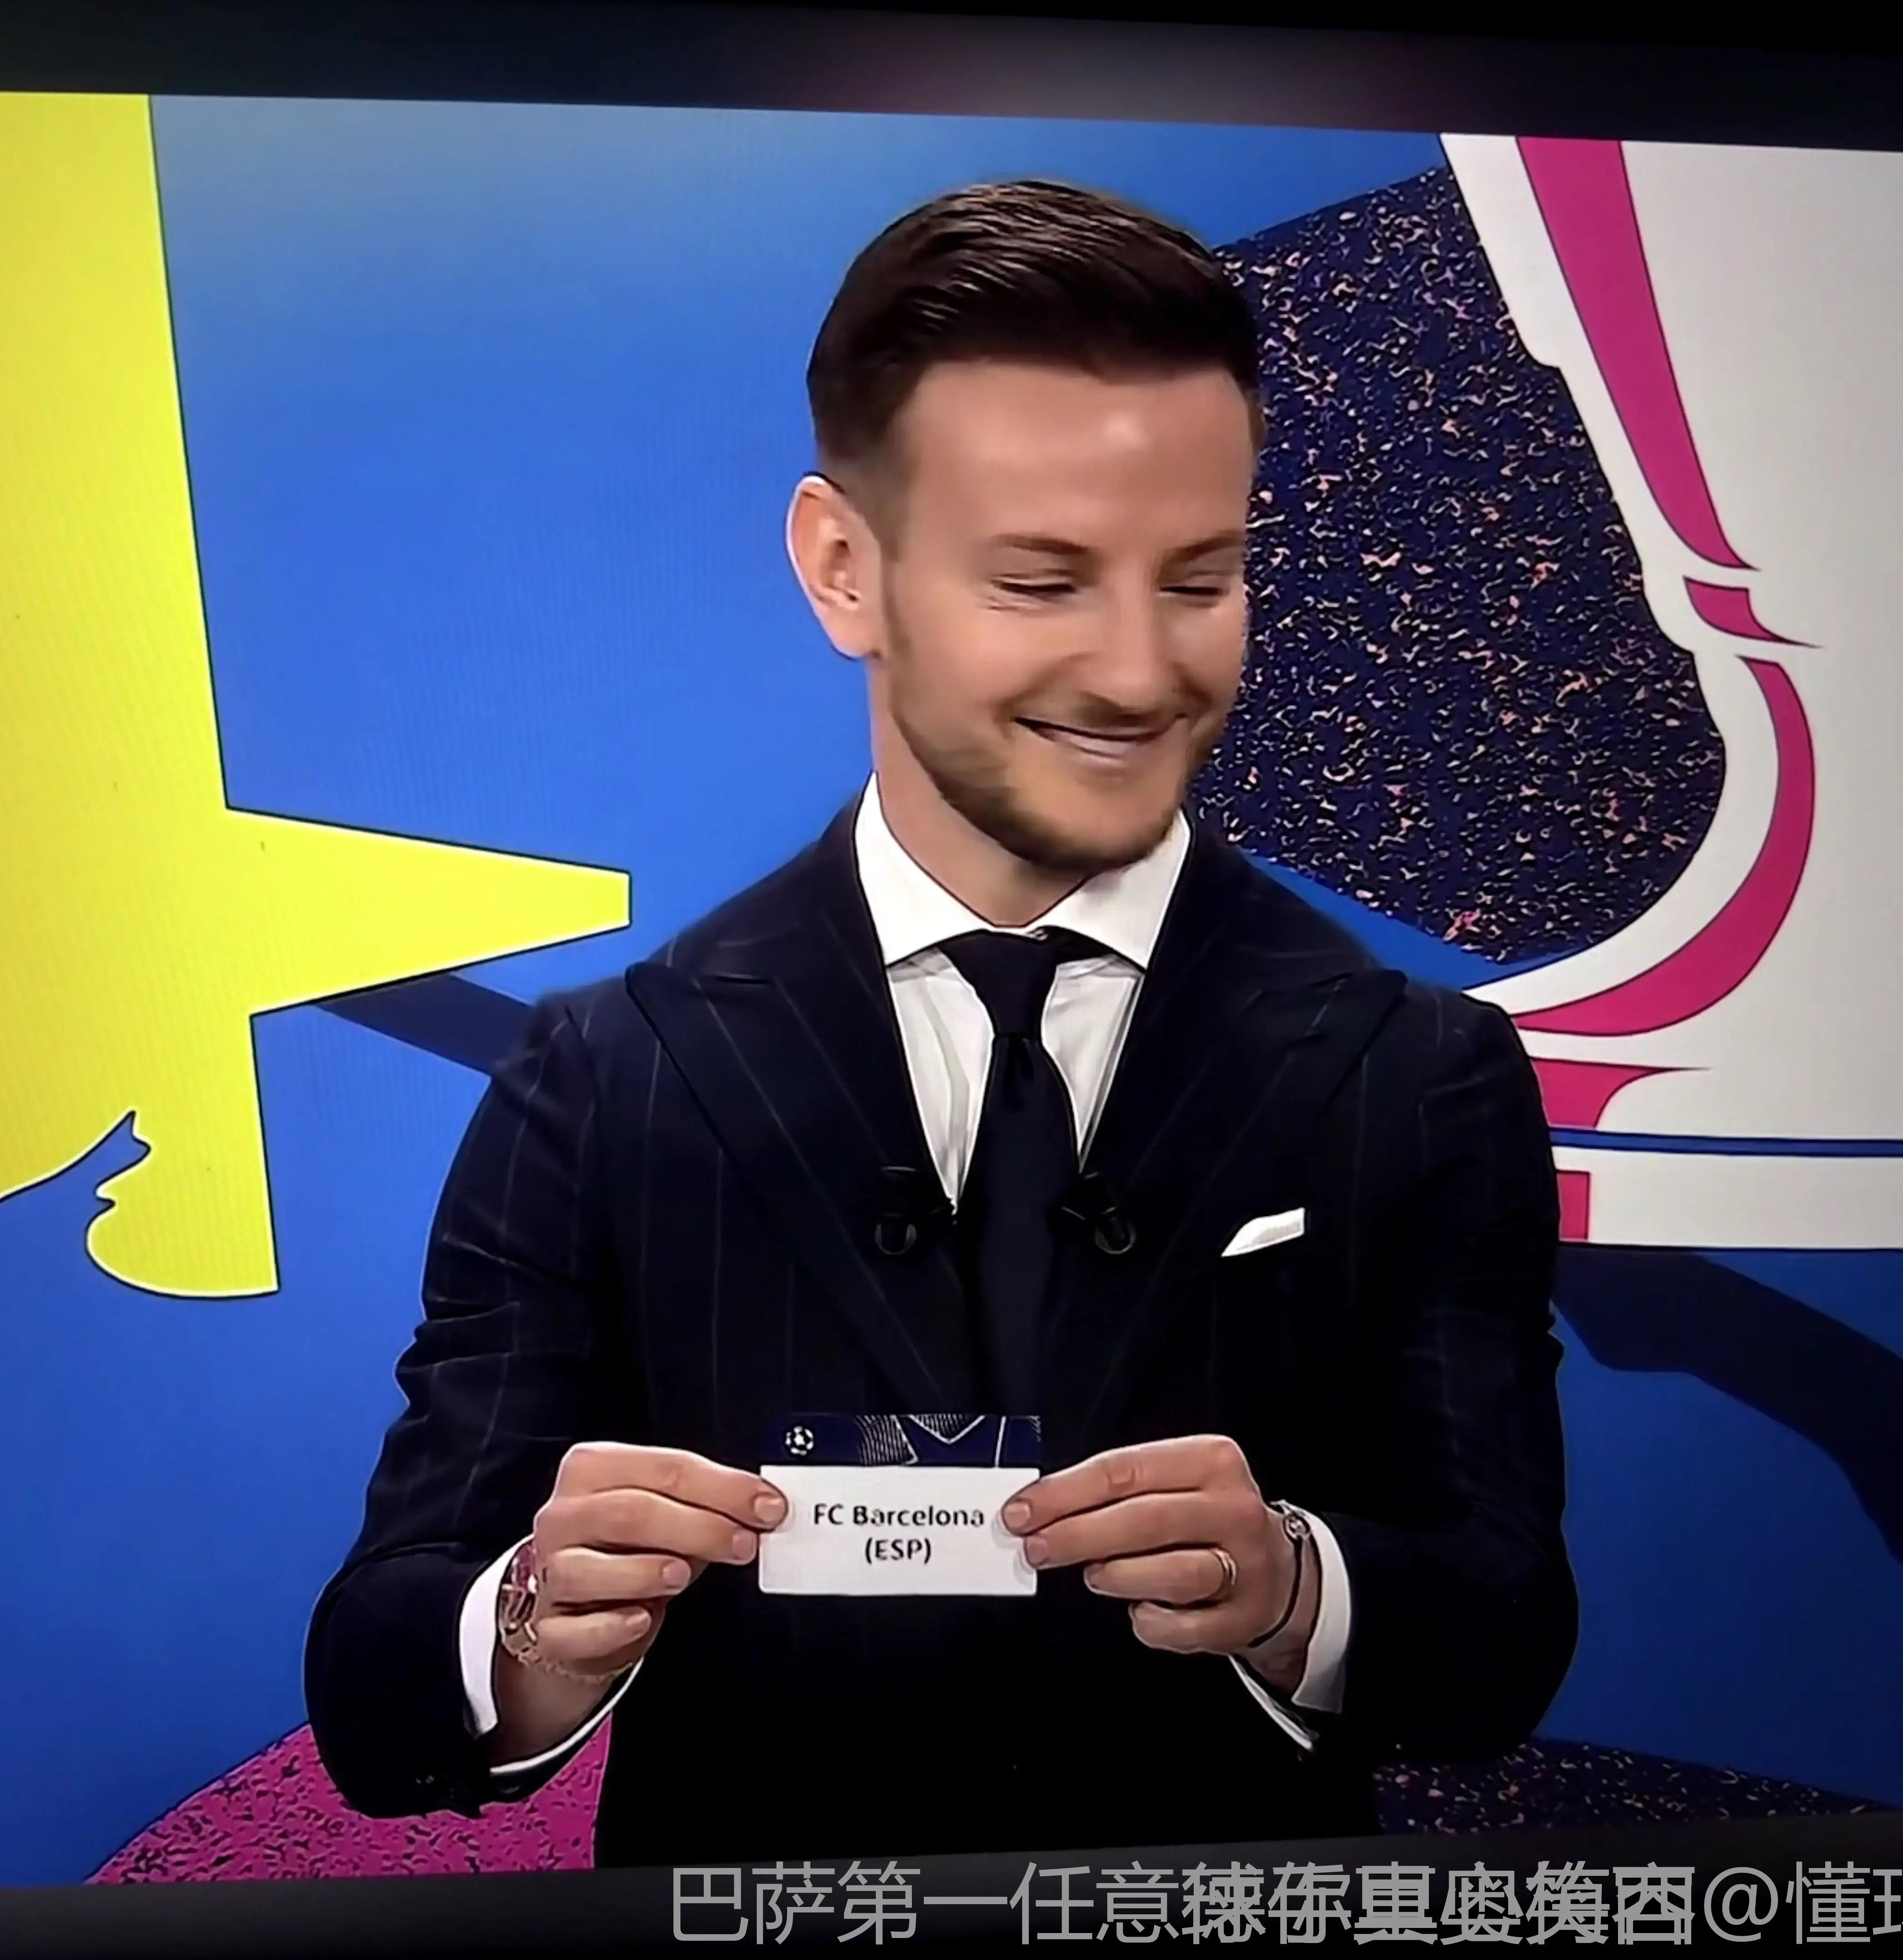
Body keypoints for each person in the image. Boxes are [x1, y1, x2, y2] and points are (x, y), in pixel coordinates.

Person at [304, 178, 1577, 1864]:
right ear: (847, 569)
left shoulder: (1418, 1072)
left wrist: (1294, 1588)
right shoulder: (607, 1075)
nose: (1140, 673)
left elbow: (1499, 1634)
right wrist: (536, 1617)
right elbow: (380, 1684)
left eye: (1200, 580)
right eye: (1043, 583)